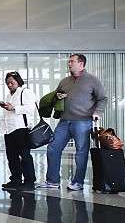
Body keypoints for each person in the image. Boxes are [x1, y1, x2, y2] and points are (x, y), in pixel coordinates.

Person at [37, 53, 107, 192]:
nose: (69, 64)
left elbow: (103, 99)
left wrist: (97, 113)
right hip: (64, 121)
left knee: (81, 152)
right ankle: (52, 181)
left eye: (72, 61)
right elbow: (57, 97)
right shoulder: (65, 81)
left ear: (81, 64)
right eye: (69, 62)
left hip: (83, 121)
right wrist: (58, 96)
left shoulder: (92, 80)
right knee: (53, 148)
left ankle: (78, 182)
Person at [0, 71, 38, 191]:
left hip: (20, 128)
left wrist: (14, 107)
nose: (9, 85)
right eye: (7, 83)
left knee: (25, 156)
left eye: (11, 82)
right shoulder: (10, 94)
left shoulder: (25, 92)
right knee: (12, 156)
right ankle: (15, 180)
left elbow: (30, 108)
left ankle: (29, 181)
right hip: (9, 128)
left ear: (18, 81)